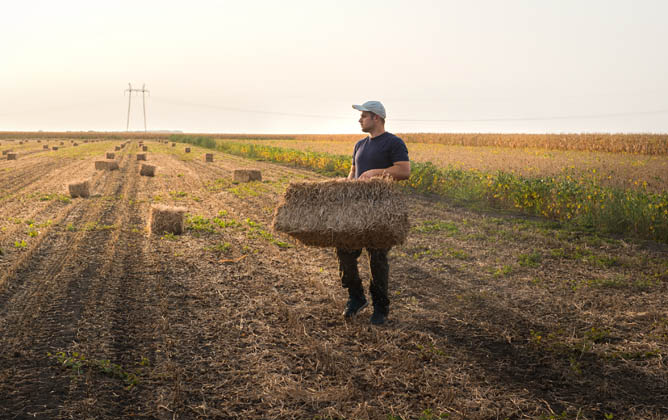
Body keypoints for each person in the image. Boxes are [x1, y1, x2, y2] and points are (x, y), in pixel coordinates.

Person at [338, 100, 410, 325]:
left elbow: (404, 171)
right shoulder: (359, 145)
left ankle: (380, 307)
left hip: (380, 210)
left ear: (376, 118)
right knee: (344, 251)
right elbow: (353, 173)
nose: (359, 119)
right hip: (356, 210)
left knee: (377, 258)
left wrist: (374, 173)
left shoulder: (393, 143)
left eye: (363, 116)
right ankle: (356, 297)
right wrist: (344, 190)